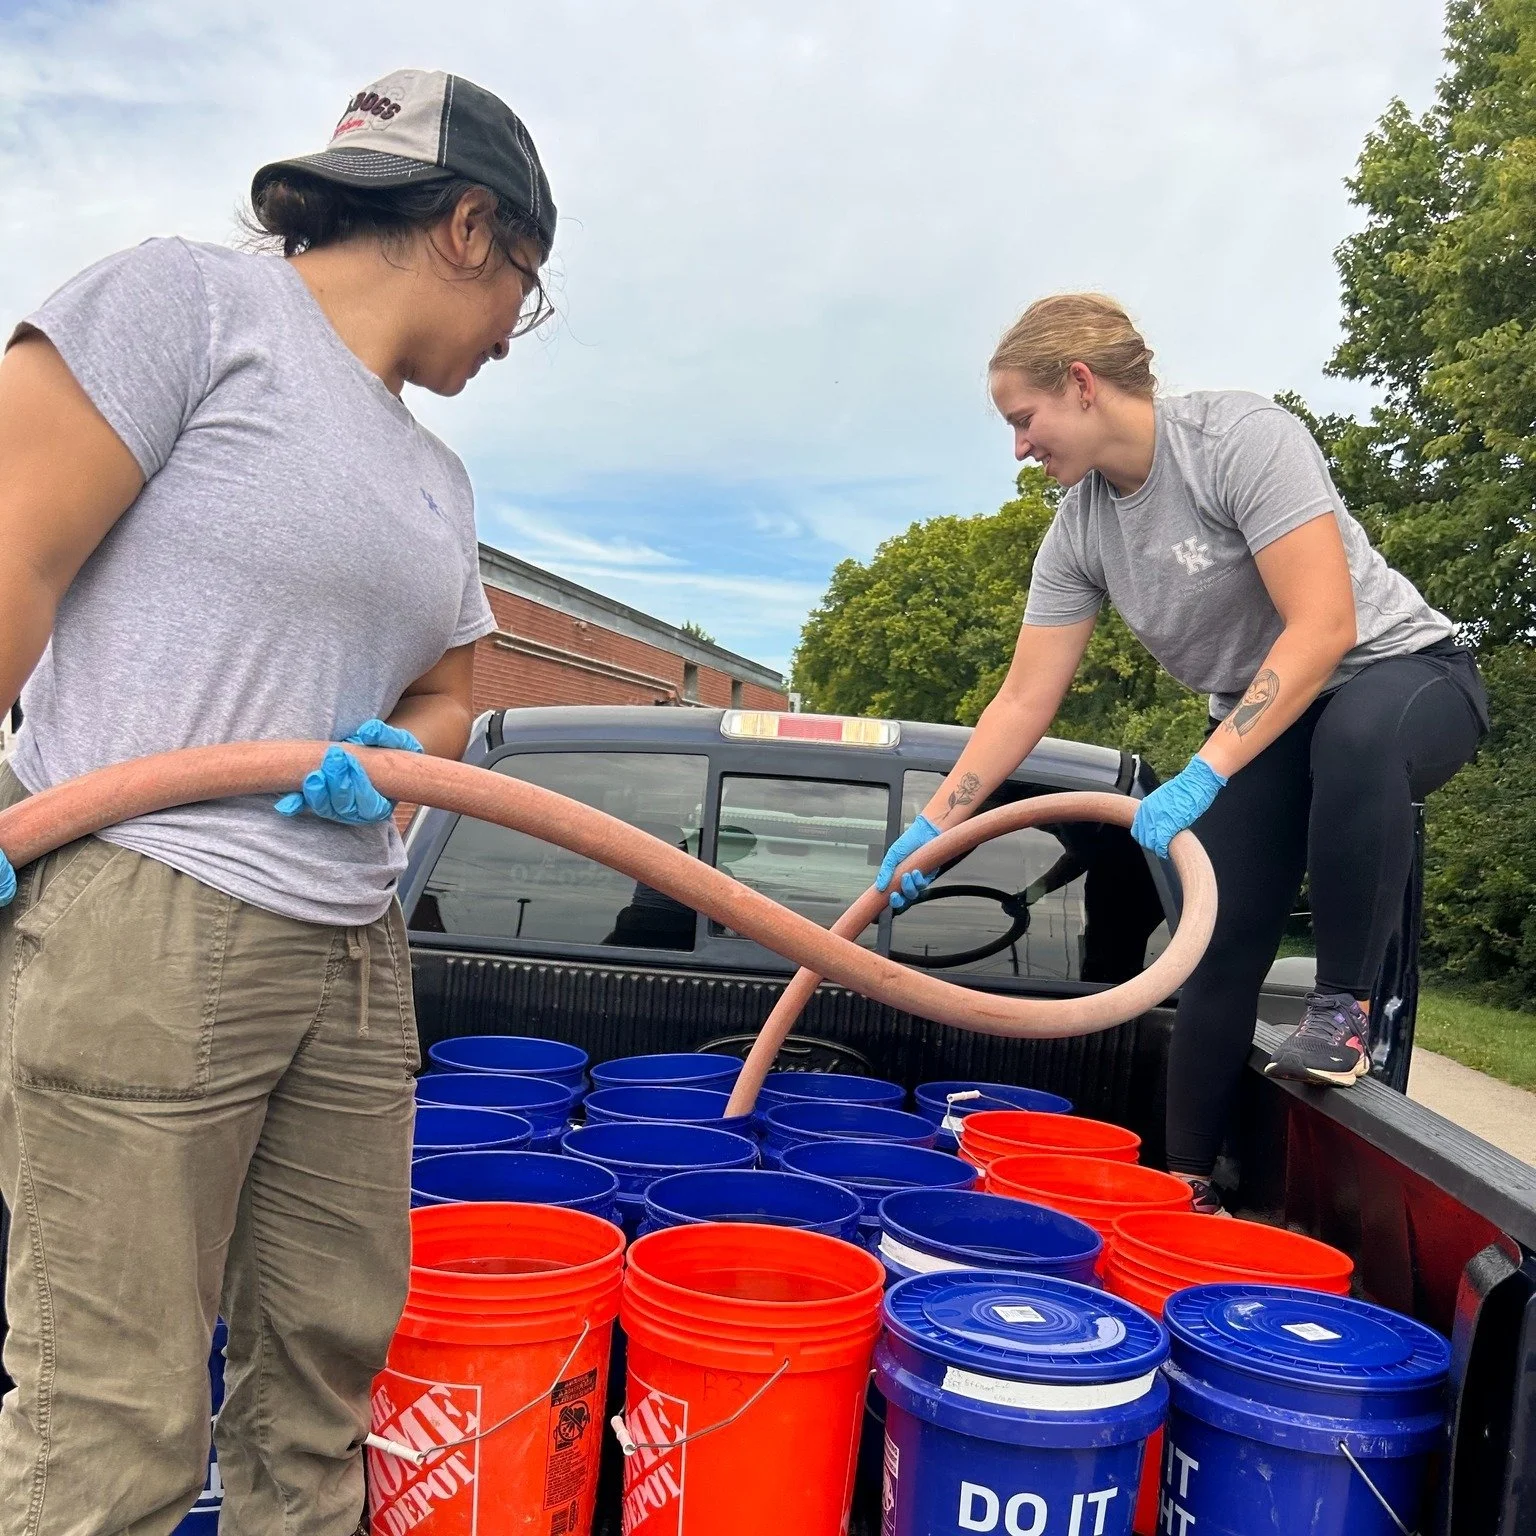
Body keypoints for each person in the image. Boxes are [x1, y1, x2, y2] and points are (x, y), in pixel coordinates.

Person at [0, 69, 555, 1532]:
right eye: (526, 293)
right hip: (149, 907)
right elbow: (14, 552)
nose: (512, 335)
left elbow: (453, 693)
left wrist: (388, 747)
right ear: (468, 226)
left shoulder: (435, 478)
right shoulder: (184, 306)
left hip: (351, 942)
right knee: (115, 1408)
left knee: (321, 1374)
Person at [877, 293, 1488, 1215]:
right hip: (1278, 725)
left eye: (1023, 420)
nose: (1019, 447)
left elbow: (1324, 626)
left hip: (1403, 676)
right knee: (1213, 940)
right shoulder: (1079, 530)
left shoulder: (1241, 439)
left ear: (1080, 385)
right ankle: (1184, 1187)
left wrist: (1205, 771)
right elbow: (1023, 701)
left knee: (1357, 736)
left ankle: (1343, 1008)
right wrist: (932, 830)